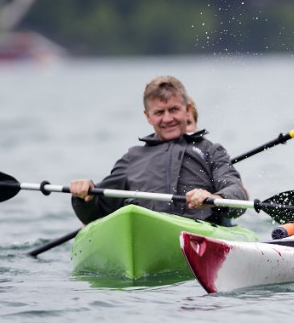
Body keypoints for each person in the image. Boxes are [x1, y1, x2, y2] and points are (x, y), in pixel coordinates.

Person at [70, 75, 248, 225]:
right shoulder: (132, 158)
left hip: (200, 232)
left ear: (187, 110)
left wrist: (213, 197)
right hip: (145, 233)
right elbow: (96, 213)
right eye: (159, 112)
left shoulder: (210, 150)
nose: (168, 118)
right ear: (148, 117)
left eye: (174, 109)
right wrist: (84, 195)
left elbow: (237, 191)